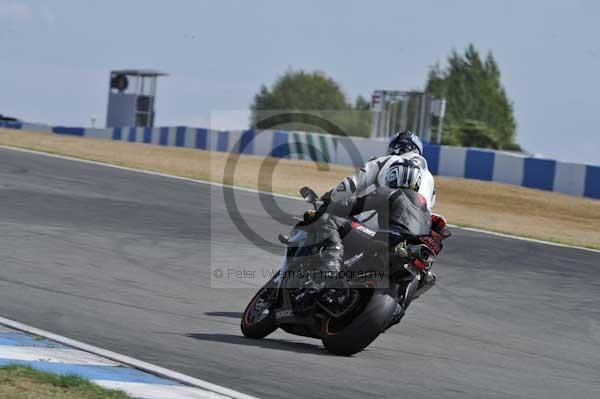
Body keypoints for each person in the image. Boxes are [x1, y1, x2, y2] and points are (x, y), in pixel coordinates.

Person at [309, 131, 448, 313]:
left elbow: (350, 186)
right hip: (413, 238)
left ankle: (330, 269)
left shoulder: (386, 161)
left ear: (396, 147)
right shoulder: (430, 181)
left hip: (374, 231)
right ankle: (397, 308)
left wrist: (327, 201)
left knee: (330, 220)